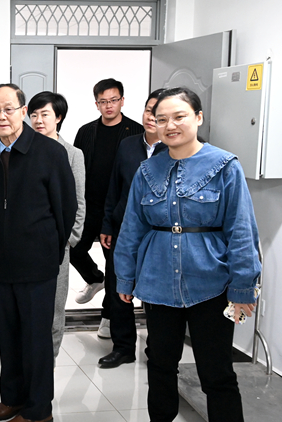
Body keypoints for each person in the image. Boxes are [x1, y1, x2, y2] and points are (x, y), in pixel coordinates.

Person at [115, 87, 261, 422]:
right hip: (158, 282)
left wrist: (242, 288)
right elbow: (132, 227)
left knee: (217, 372)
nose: (170, 125)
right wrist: (125, 277)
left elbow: (241, 230)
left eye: (179, 116)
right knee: (160, 364)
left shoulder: (225, 166)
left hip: (211, 283)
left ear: (198, 117)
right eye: (161, 119)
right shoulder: (147, 170)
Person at [0, 83, 77, 422]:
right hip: (0, 261)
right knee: (9, 335)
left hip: (38, 263)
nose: (2, 116)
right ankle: (13, 399)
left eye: (9, 109)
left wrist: (49, 248)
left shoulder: (51, 153)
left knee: (36, 338)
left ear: (23, 111)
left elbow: (66, 208)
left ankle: (38, 410)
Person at [97, 88, 167, 368]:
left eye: (158, 113)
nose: (151, 117)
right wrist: (107, 223)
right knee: (118, 289)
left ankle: (157, 349)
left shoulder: (175, 150)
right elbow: (114, 187)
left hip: (158, 233)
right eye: (149, 110)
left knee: (155, 295)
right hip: (124, 229)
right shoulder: (128, 145)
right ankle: (123, 347)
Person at [71, 78, 144, 339]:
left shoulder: (136, 132)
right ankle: (94, 279)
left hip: (118, 209)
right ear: (96, 104)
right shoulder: (86, 131)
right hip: (89, 205)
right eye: (103, 101)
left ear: (122, 101)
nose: (108, 105)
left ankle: (108, 316)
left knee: (115, 267)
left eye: (113, 100)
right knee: (73, 248)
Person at [27, 91, 85, 362]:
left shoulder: (72, 154)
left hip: (57, 244)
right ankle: (29, 363)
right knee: (29, 307)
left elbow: (79, 201)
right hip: (27, 243)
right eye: (34, 115)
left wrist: (69, 239)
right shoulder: (23, 151)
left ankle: (48, 363)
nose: (38, 120)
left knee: (54, 307)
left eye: (45, 114)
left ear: (58, 117)